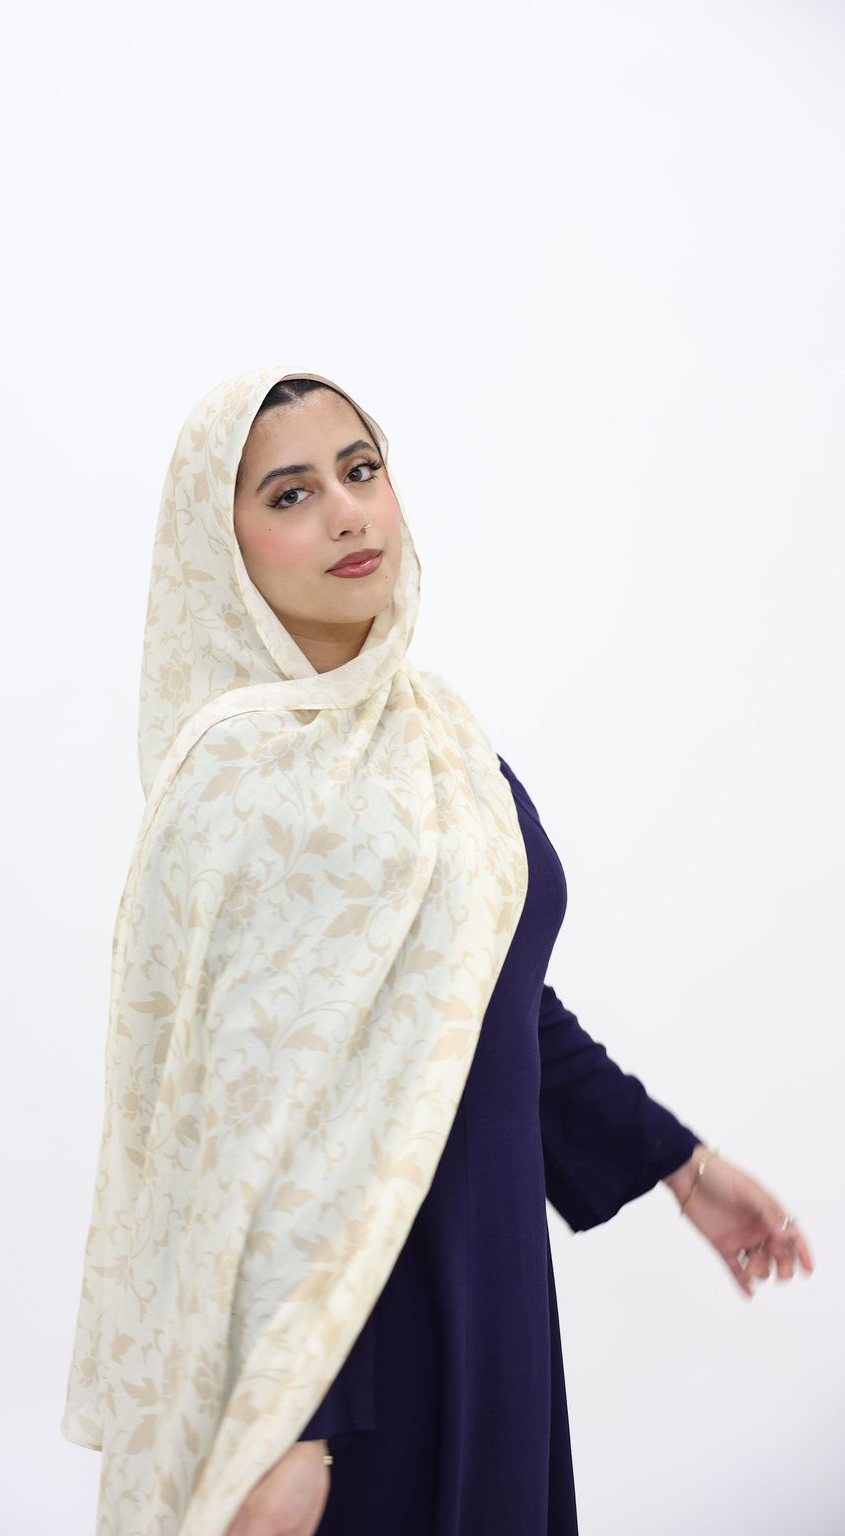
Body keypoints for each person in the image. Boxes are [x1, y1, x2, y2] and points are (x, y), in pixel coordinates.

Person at [60, 366, 814, 1536]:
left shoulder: (437, 739)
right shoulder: (236, 780)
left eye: (360, 471)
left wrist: (680, 1163)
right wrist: (290, 1425)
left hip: (489, 1289)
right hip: (352, 1358)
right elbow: (237, 1129)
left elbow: (493, 1003)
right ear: (221, 550)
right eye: (290, 493)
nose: (346, 513)